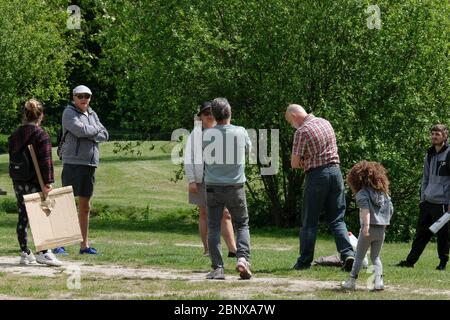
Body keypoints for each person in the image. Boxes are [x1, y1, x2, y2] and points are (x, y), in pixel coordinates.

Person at [285, 104, 355, 271]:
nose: (291, 125)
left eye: (290, 122)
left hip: (317, 175)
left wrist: (305, 161)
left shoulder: (302, 132)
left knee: (309, 221)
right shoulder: (325, 122)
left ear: (294, 116)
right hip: (336, 172)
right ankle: (347, 254)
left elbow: (294, 163)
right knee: (337, 219)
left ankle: (304, 261)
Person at [53, 85, 109, 255]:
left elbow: (105, 134)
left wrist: (90, 131)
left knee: (85, 206)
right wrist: (94, 131)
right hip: (73, 162)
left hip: (90, 164)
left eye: (87, 96)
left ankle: (84, 246)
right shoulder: (69, 112)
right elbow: (79, 130)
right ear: (74, 97)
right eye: (80, 96)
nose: (84, 99)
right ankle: (58, 244)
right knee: (66, 204)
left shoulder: (92, 113)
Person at [8, 99, 62, 266]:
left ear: (24, 115)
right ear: (41, 116)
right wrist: (48, 182)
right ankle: (44, 252)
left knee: (23, 215)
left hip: (19, 181)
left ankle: (25, 252)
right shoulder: (41, 135)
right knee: (42, 216)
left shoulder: (15, 135)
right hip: (35, 181)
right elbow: (46, 161)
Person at [203, 98, 252, 280]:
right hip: (235, 185)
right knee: (242, 224)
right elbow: (248, 151)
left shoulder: (207, 135)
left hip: (213, 186)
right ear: (230, 113)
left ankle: (217, 268)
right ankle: (242, 259)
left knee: (214, 226)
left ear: (214, 115)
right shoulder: (240, 132)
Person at [184, 102, 237, 257]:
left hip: (220, 178)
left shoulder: (223, 130)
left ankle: (232, 249)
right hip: (201, 180)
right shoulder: (195, 134)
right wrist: (192, 180)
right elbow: (189, 158)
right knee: (203, 213)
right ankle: (207, 248)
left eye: (211, 112)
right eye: (205, 113)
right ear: (200, 116)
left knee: (225, 213)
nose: (209, 115)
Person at [397, 124, 450, 270]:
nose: (434, 136)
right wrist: (422, 199)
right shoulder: (429, 153)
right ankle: (410, 262)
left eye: (437, 134)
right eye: (432, 134)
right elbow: (425, 179)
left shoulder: (449, 153)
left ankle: (442, 263)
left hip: (443, 203)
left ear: (445, 136)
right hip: (428, 201)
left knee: (442, 236)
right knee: (421, 234)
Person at [341, 161, 394, 290]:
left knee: (359, 256)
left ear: (356, 179)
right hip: (381, 230)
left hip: (368, 229)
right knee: (375, 257)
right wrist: (386, 223)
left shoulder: (362, 194)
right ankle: (378, 282)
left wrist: (365, 227)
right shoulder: (384, 194)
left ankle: (352, 282)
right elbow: (391, 209)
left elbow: (366, 212)